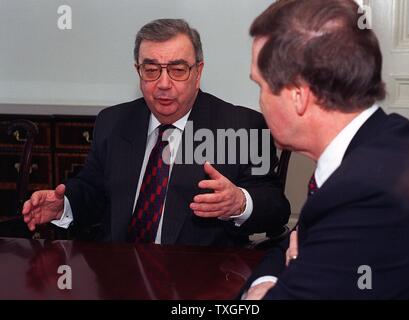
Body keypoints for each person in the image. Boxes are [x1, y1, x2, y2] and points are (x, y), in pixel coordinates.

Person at [22, 19, 290, 246]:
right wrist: (64, 204)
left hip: (203, 279)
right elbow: (93, 190)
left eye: (177, 70)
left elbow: (276, 208)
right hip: (119, 274)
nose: (163, 84)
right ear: (138, 71)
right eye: (151, 70)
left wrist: (239, 203)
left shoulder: (242, 126)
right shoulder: (113, 121)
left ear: (198, 72)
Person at [243, 0, 409, 299]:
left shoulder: (368, 193)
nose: (260, 102)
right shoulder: (385, 136)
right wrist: (264, 282)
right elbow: (294, 240)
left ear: (298, 95)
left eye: (261, 86)